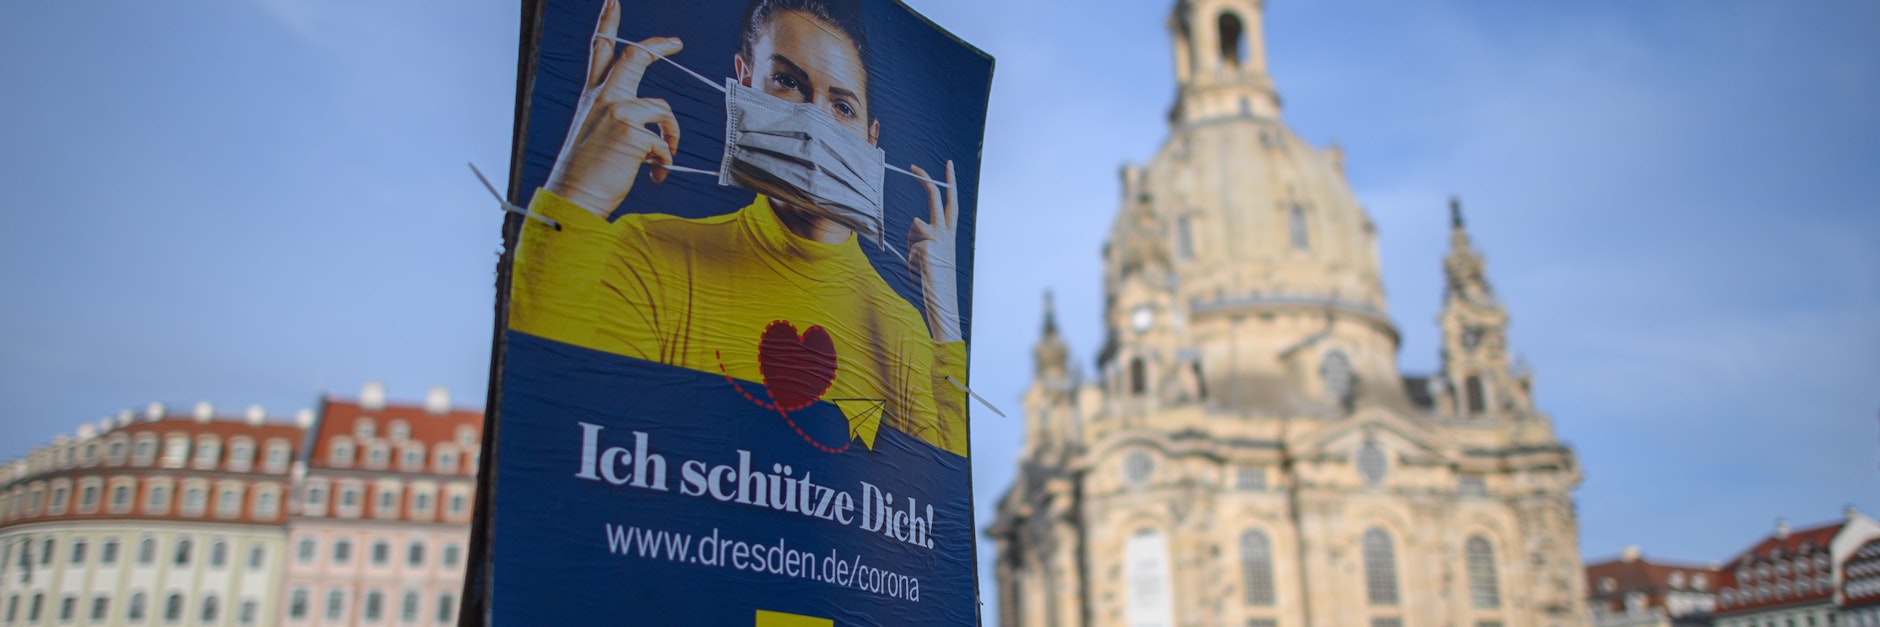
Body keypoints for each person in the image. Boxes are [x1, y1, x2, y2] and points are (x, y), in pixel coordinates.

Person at [510, 0, 968, 457]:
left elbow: (934, 502)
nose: (814, 122)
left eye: (842, 106)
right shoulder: (649, 255)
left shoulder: (904, 332)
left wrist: (945, 320)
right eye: (787, 82)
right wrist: (573, 203)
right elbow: (551, 430)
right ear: (744, 81)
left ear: (871, 138)